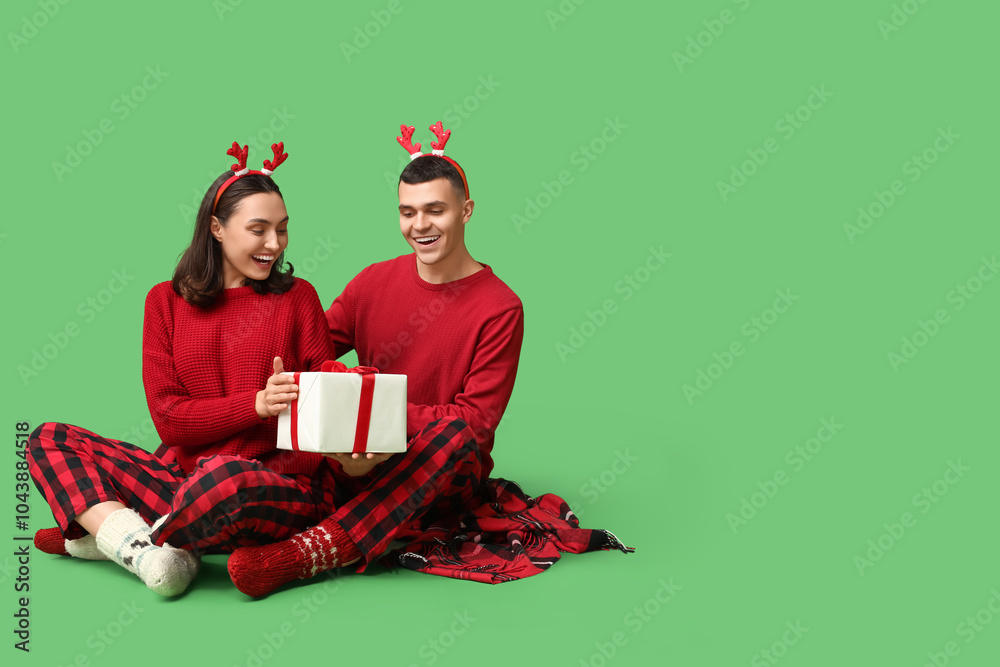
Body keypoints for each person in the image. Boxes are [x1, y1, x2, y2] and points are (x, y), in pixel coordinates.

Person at [226, 123, 631, 597]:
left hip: (437, 474)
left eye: (435, 210)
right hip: (354, 459)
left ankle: (311, 552)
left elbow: (476, 425)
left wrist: (376, 410)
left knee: (455, 434)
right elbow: (307, 352)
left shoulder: (501, 308)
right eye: (408, 212)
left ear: (466, 211)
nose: (420, 225)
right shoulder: (373, 281)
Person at [28, 142, 339, 596]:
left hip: (271, 485)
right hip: (181, 483)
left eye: (283, 230)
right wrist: (255, 405)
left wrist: (324, 396)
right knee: (49, 437)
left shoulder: (298, 298)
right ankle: (148, 550)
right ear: (216, 228)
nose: (274, 244)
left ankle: (115, 535)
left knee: (222, 478)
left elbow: (328, 409)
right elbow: (169, 419)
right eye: (259, 229)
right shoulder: (164, 302)